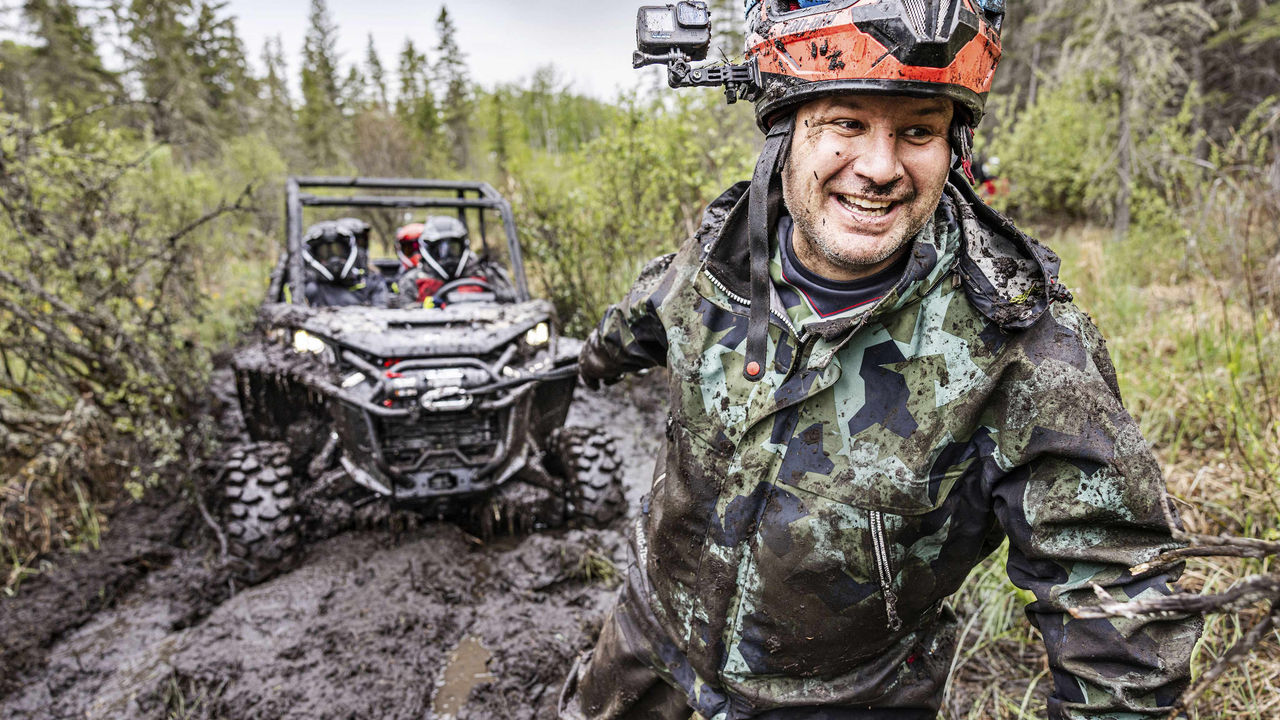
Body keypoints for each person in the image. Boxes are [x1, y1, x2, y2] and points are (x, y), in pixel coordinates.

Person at [562, 1, 1201, 719]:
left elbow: (1123, 625)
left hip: (851, 700)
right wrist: (581, 367)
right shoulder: (718, 261)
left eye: (918, 131)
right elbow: (634, 323)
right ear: (786, 134)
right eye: (846, 122)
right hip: (646, 654)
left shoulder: (1020, 351)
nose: (879, 167)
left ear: (952, 147)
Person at [394, 215, 509, 307]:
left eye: (453, 247)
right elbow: (404, 312)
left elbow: (511, 304)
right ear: (429, 250)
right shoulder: (412, 280)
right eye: (439, 250)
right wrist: (423, 308)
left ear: (463, 247)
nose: (447, 255)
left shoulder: (485, 274)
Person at [301, 218, 391, 307]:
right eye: (325, 253)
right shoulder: (307, 287)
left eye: (338, 250)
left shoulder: (371, 282)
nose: (334, 260)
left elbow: (381, 309)